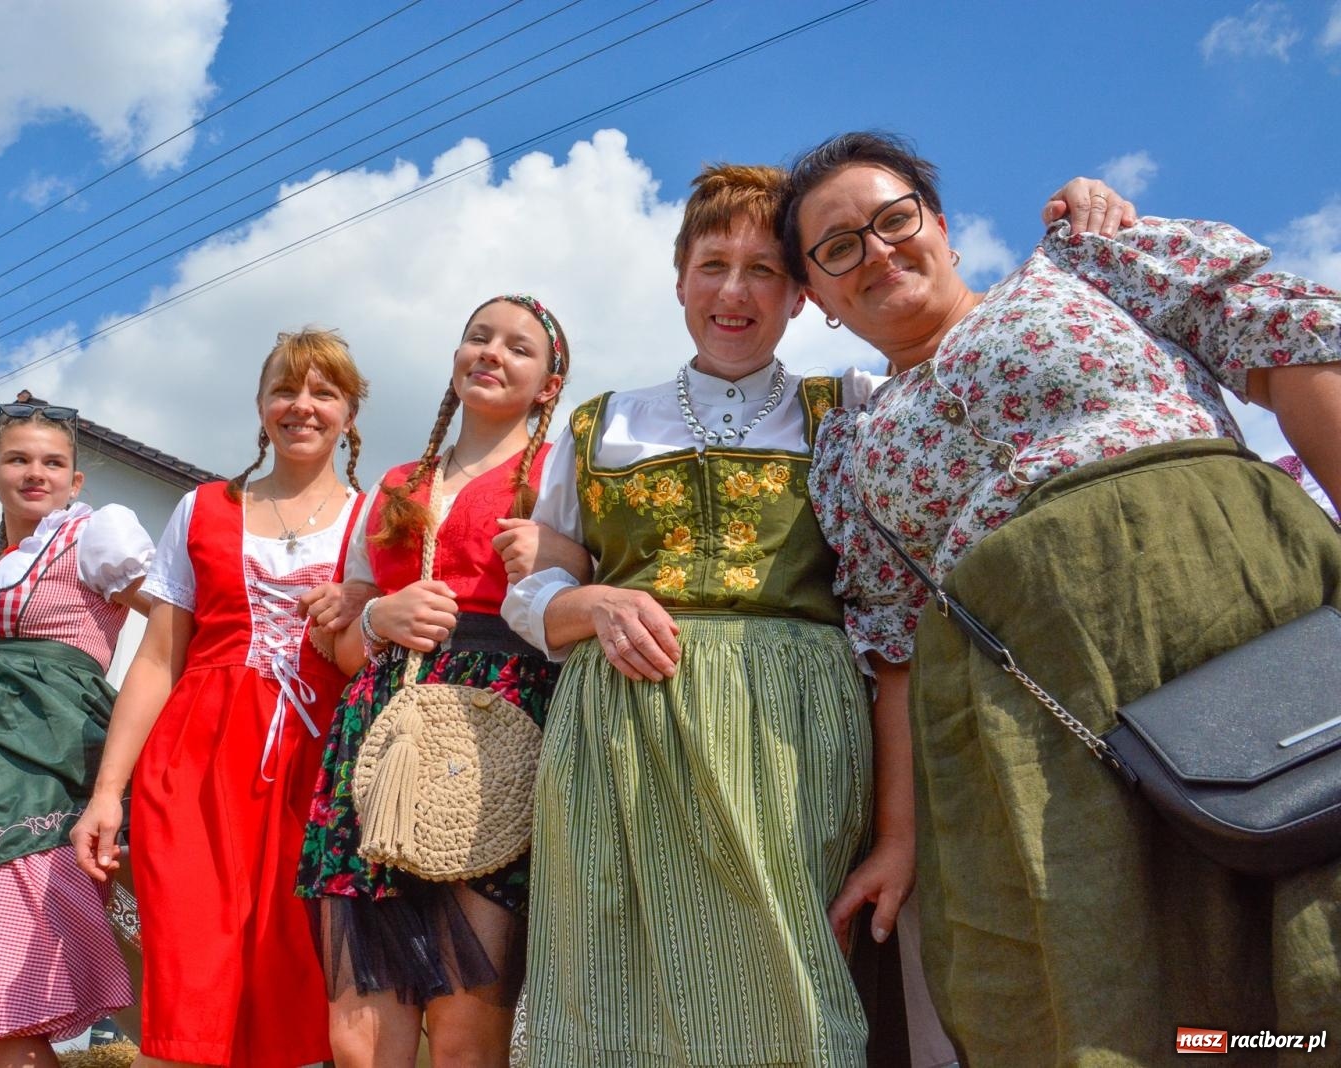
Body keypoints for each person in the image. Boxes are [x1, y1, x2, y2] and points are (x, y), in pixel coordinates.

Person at [501, 164, 1133, 1067]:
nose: (733, 291)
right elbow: (531, 595)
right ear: (678, 277)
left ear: (803, 294)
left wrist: (1081, 217)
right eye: (712, 263)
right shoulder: (602, 425)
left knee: (791, 990)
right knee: (614, 980)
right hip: (623, 730)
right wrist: (586, 601)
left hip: (796, 732)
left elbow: (967, 338)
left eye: (764, 269)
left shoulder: (851, 405)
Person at [781, 130, 1341, 1065]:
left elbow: (1289, 356)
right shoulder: (848, 451)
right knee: (1102, 976)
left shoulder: (1082, 264)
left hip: (1237, 605)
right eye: (840, 248)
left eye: (894, 220)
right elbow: (897, 652)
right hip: (1027, 718)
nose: (877, 252)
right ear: (819, 296)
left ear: (944, 228)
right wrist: (899, 838)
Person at [69, 329, 371, 1068]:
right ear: (261, 405)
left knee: (294, 976)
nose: (302, 406)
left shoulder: (373, 521)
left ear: (350, 413)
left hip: (321, 768)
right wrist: (109, 792)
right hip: (197, 766)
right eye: (285, 389)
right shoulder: (202, 508)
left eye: (324, 392)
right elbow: (158, 658)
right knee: (191, 970)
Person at [296, 294, 568, 1067]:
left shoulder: (560, 472)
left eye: (518, 347)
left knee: (465, 1018)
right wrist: (379, 616)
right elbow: (347, 649)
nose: (491, 353)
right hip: (378, 732)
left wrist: (563, 556)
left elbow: (582, 598)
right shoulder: (393, 486)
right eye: (478, 337)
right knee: (356, 1034)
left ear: (549, 384)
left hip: (496, 730)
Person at [0, 401, 154, 1068]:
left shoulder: (93, 536)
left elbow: (171, 626)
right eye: (18, 459)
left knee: (4, 1015)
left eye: (53, 462)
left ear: (76, 482)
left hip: (38, 771)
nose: (35, 472)